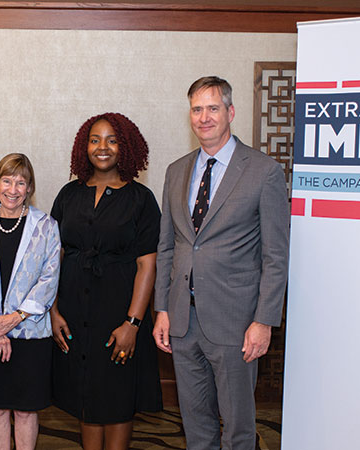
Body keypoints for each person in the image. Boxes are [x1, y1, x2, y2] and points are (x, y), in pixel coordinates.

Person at [153, 76, 290, 450]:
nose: (204, 117)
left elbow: (276, 257)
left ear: (230, 112)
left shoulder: (263, 172)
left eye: (213, 108)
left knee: (238, 428)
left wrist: (263, 321)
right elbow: (168, 247)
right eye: (197, 109)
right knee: (195, 426)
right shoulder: (176, 171)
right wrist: (162, 309)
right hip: (182, 319)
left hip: (237, 322)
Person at [50, 113, 162, 450]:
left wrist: (132, 324)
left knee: (116, 397)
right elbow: (51, 259)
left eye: (112, 139)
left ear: (125, 146)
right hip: (72, 311)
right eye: (95, 140)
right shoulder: (68, 195)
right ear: (84, 147)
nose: (103, 147)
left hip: (118, 311)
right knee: (85, 394)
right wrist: (52, 312)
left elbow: (147, 265)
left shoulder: (141, 199)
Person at [0, 153, 61, 450]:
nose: (13, 189)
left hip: (30, 334)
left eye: (21, 182)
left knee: (26, 409)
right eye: (7, 180)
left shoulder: (46, 226)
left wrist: (13, 318)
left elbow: (49, 277)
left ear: (30, 187)